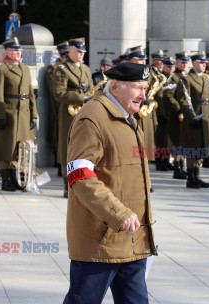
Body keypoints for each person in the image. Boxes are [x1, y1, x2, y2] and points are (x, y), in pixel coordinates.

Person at [63, 62, 157, 303]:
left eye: (145, 89)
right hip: (100, 241)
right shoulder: (92, 118)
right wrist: (118, 213)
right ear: (115, 87)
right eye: (138, 88)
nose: (144, 96)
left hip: (132, 238)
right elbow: (79, 176)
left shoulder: (128, 118)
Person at [0, 37, 37, 191]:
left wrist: (34, 114)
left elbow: (31, 94)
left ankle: (14, 177)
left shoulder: (25, 68)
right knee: (5, 149)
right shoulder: (1, 69)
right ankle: (5, 179)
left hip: (23, 113)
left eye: (19, 50)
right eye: (14, 50)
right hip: (9, 113)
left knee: (19, 149)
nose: (17, 53)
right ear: (7, 52)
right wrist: (0, 117)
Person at [53, 37, 93, 198]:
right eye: (78, 51)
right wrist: (81, 97)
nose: (81, 54)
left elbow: (90, 88)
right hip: (69, 115)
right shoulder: (62, 69)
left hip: (85, 114)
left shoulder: (86, 69)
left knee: (84, 148)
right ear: (70, 51)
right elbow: (59, 93)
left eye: (83, 52)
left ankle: (81, 181)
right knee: (68, 148)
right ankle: (66, 184)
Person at [175, 51, 209, 188]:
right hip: (193, 117)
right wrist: (192, 118)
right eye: (201, 62)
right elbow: (183, 100)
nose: (204, 65)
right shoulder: (187, 79)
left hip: (205, 117)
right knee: (192, 148)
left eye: (205, 63)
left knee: (202, 147)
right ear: (194, 63)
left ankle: (197, 175)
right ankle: (190, 178)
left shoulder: (205, 78)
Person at [163, 52, 189, 180]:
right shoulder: (173, 78)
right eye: (182, 62)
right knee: (178, 142)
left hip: (187, 115)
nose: (184, 64)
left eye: (186, 62)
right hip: (177, 115)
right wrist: (179, 108)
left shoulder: (187, 76)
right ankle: (177, 168)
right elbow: (168, 95)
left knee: (184, 142)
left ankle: (182, 166)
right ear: (177, 63)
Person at [129, 46, 157, 163]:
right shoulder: (128, 74)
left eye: (144, 59)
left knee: (145, 151)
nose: (144, 62)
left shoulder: (147, 74)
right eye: (140, 59)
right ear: (132, 60)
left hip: (145, 114)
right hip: (134, 114)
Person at [45, 41, 68, 177]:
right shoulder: (53, 69)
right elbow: (53, 89)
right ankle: (59, 163)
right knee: (58, 135)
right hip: (57, 106)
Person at [154, 56, 175, 172]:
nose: (171, 69)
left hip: (171, 113)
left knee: (168, 140)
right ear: (164, 66)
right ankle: (159, 162)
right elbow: (159, 97)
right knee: (160, 139)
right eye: (168, 66)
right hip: (162, 113)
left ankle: (166, 160)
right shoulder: (161, 78)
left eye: (172, 66)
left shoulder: (174, 78)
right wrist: (161, 114)